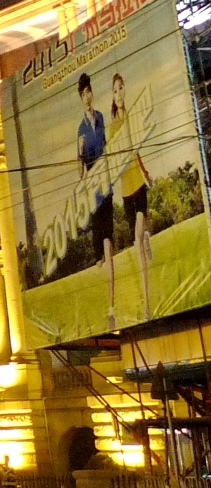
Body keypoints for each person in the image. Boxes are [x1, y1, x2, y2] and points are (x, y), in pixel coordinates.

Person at [110, 72, 152, 320]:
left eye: (121, 88)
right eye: (115, 90)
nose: (119, 93)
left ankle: (147, 305)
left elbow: (135, 152)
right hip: (126, 189)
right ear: (113, 96)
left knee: (137, 240)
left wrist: (145, 173)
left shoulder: (131, 118)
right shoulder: (113, 126)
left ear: (125, 90)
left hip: (138, 184)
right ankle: (145, 235)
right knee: (139, 235)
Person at [76, 71, 116, 328]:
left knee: (108, 242)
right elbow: (79, 167)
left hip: (106, 185)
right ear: (81, 98)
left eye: (89, 92)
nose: (88, 96)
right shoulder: (80, 129)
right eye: (84, 94)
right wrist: (81, 161)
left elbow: (107, 146)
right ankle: (101, 257)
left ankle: (111, 307)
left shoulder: (100, 117)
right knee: (101, 243)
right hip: (94, 190)